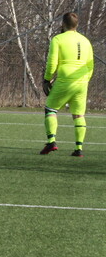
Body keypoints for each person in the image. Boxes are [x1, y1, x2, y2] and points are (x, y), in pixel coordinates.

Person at [41, 12, 94, 157]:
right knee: (79, 115)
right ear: (77, 25)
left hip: (65, 80)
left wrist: (47, 79)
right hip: (82, 82)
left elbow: (52, 62)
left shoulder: (58, 39)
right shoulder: (85, 41)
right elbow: (90, 65)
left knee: (50, 109)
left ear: (63, 24)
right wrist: (85, 80)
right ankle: (78, 149)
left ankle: (51, 141)